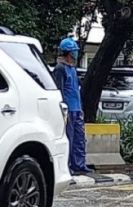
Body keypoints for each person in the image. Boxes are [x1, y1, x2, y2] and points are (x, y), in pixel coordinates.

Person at [53, 37, 91, 175]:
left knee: (79, 139)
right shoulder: (60, 69)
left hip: (77, 109)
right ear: (68, 53)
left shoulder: (72, 69)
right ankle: (67, 166)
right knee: (69, 138)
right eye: (73, 52)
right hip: (68, 110)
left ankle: (79, 165)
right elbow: (60, 90)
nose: (75, 54)